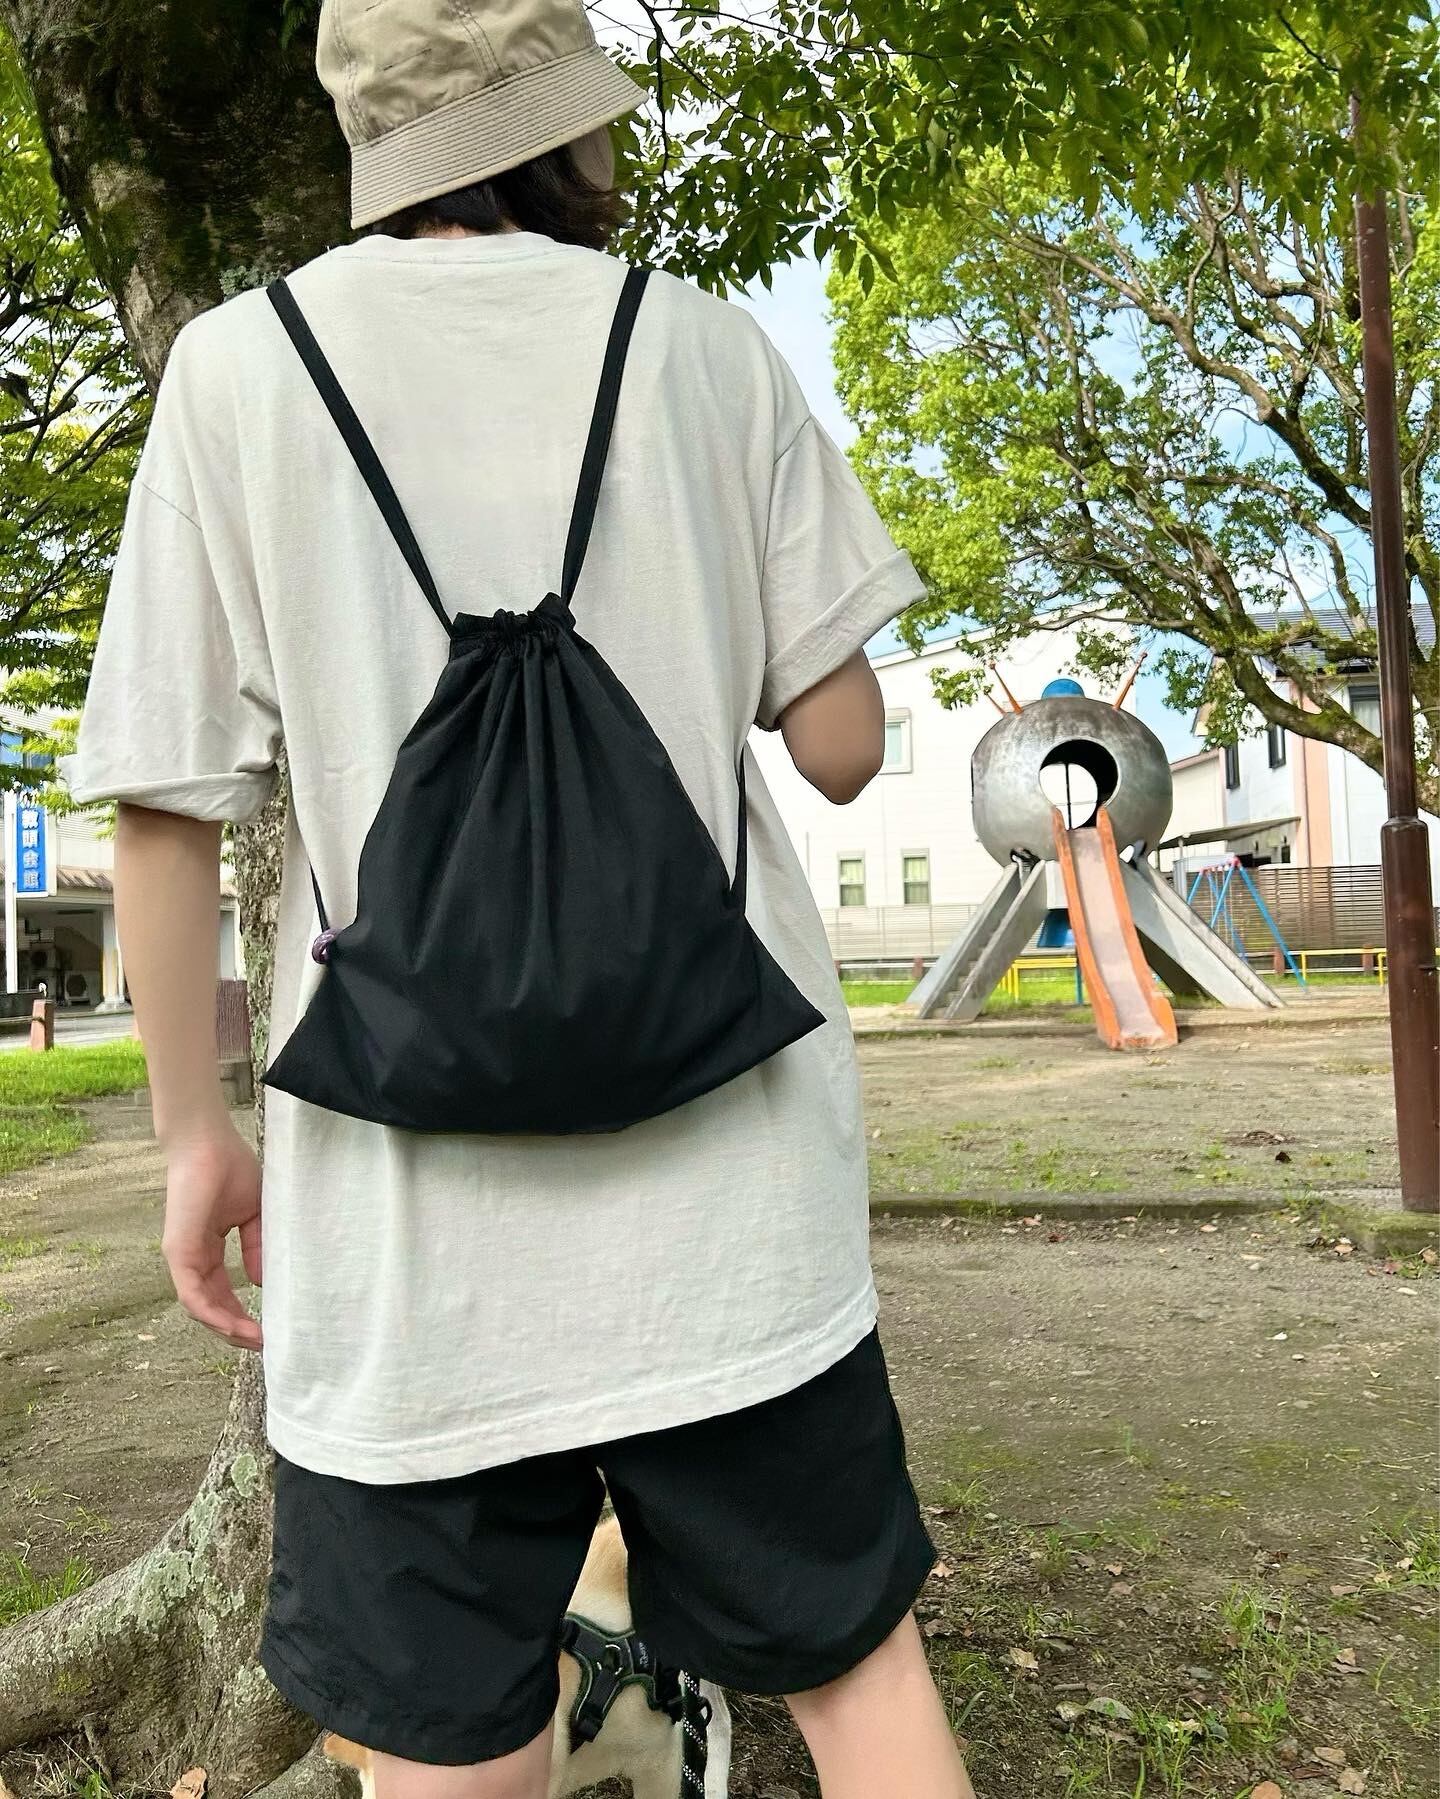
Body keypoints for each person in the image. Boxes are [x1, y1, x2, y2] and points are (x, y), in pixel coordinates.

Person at [64, 1, 976, 1795]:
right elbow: (845, 748)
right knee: (859, 1685)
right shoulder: (704, 348)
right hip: (737, 1219)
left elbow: (163, 807)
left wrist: (195, 1140)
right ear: (565, 125)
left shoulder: (238, 373)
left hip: (408, 1251)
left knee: (446, 1747)